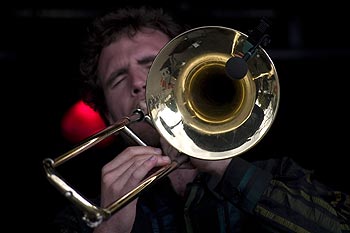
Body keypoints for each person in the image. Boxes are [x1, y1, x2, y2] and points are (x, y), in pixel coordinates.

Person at [50, 5, 350, 233]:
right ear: (108, 115)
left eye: (152, 65)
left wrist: (225, 167)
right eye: (117, 78)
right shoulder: (86, 212)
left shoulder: (279, 173)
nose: (139, 82)